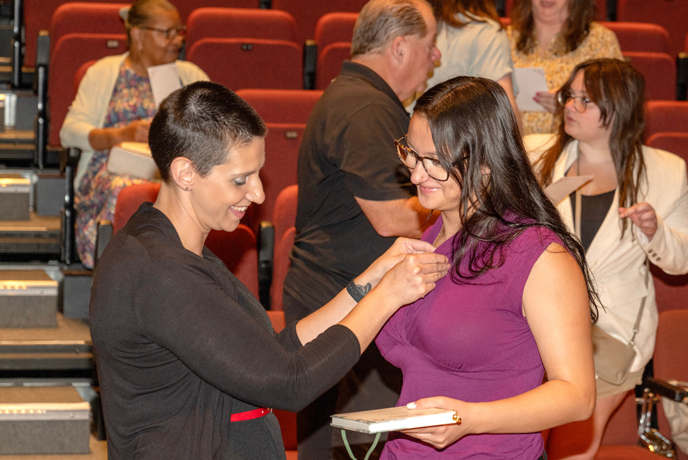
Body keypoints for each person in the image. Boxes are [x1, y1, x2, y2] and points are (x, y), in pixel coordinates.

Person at [90, 81, 450, 460]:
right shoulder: (158, 272)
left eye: (257, 174)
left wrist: (368, 282)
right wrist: (387, 296)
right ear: (185, 173)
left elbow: (275, 355)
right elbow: (291, 383)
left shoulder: (175, 251)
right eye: (240, 179)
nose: (258, 194)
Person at [373, 76, 599, 459]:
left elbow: (577, 396)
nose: (414, 174)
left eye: (434, 162)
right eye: (411, 153)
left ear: (486, 164)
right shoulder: (430, 236)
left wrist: (472, 418)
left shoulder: (539, 255)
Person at [282, 0, 442, 457]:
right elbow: (391, 216)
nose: (436, 58)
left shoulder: (356, 96)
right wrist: (464, 202)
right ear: (399, 47)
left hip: (336, 292)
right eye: (430, 46)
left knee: (330, 436)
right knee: (362, 438)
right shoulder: (367, 107)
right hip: (345, 299)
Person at [525, 59, 688, 459]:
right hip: (533, 323)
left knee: (570, 449)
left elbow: (685, 259)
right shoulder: (534, 155)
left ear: (618, 109)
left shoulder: (665, 170)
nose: (571, 105)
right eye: (569, 95)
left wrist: (655, 231)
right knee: (521, 443)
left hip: (610, 335)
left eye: (585, 100)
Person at [60, 0, 208, 268]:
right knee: (126, 192)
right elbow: (69, 132)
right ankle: (119, 275)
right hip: (110, 170)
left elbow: (215, 135)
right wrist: (119, 135)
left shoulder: (191, 77)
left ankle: (172, 274)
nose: (176, 40)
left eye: (179, 32)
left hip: (171, 173)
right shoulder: (103, 73)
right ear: (138, 35)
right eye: (167, 33)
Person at [507, 0, 621, 135]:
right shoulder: (505, 37)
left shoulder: (600, 40)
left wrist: (569, 100)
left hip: (571, 146)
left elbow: (617, 103)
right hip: (509, 147)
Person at [407, 0, 518, 118]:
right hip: (458, 133)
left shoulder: (417, 26)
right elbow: (503, 110)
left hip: (410, 127)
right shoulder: (487, 34)